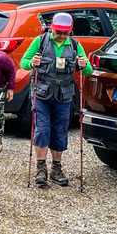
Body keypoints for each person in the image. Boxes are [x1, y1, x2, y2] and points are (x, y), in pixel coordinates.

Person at [20, 12, 92, 187]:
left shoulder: (75, 45)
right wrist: (32, 63)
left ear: (70, 32)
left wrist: (84, 65)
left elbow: (88, 70)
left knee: (60, 131)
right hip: (41, 94)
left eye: (65, 33)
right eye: (58, 32)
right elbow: (23, 62)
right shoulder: (40, 41)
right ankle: (41, 168)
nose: (61, 36)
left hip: (64, 96)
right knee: (42, 129)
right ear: (52, 28)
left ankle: (56, 169)